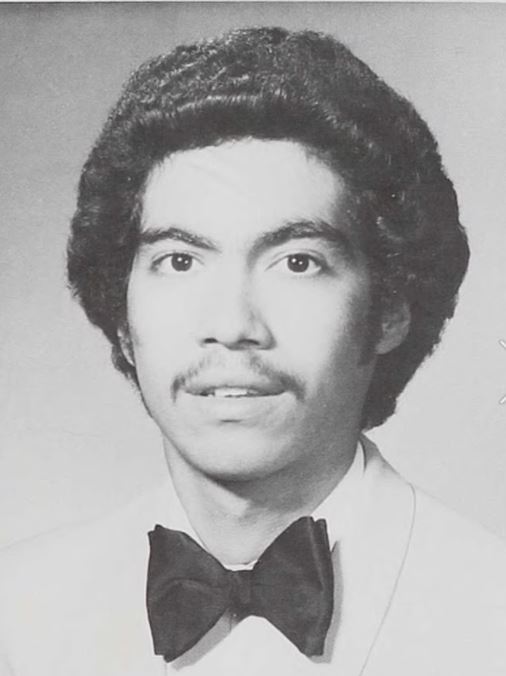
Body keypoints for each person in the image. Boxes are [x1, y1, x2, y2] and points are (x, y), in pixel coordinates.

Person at [0, 26, 505, 676]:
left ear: (389, 311)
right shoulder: (17, 609)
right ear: (123, 317)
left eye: (297, 262)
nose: (232, 324)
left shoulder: (491, 608)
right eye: (179, 261)